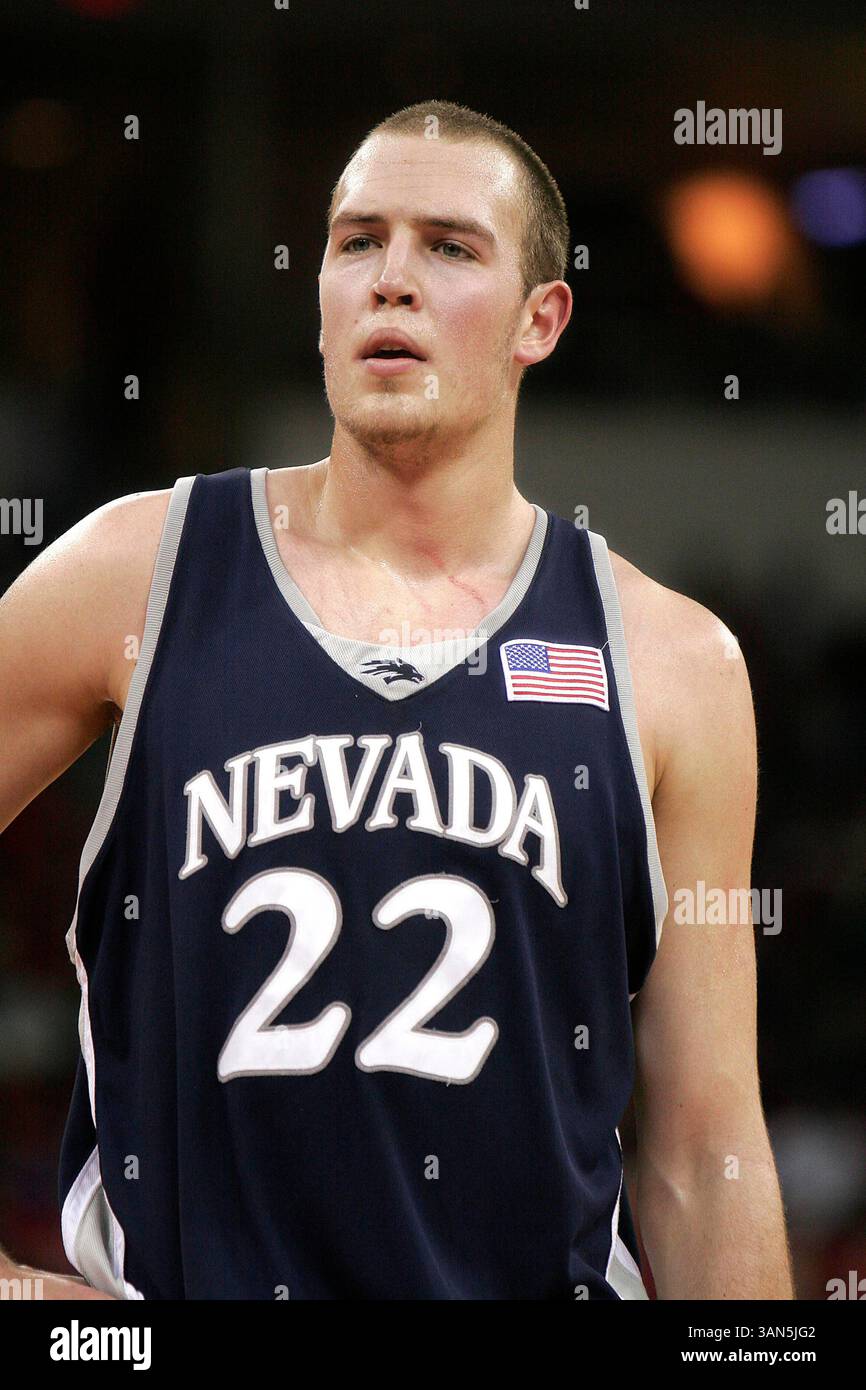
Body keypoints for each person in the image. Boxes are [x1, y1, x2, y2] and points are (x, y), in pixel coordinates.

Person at [0, 99, 793, 1299]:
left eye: (450, 247)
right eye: (357, 240)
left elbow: (701, 1141)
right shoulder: (138, 570)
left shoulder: (672, 661)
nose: (391, 281)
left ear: (541, 320)